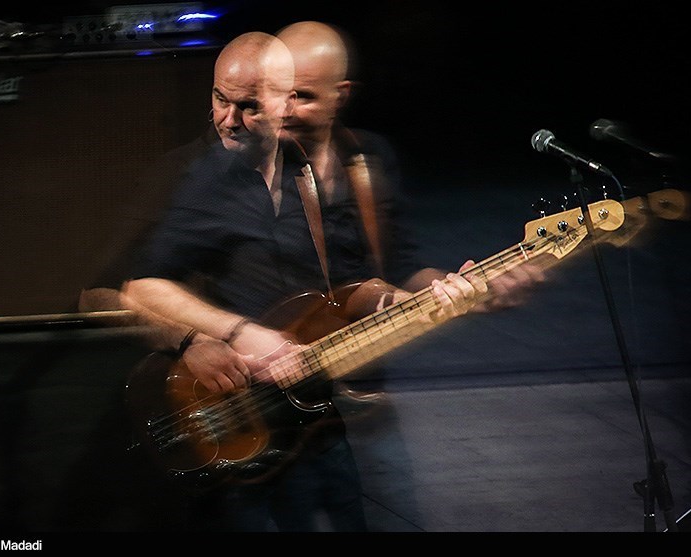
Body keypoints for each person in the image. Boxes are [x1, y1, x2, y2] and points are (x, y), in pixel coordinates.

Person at [119, 29, 493, 532]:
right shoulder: (212, 175)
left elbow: (350, 284)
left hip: (327, 408)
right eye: (222, 100)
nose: (235, 119)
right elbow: (140, 286)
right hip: (245, 410)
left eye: (260, 102)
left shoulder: (331, 170)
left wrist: (420, 298)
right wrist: (224, 334)